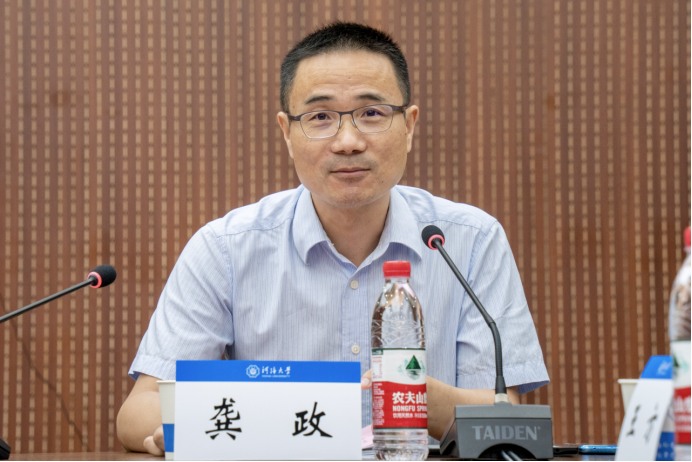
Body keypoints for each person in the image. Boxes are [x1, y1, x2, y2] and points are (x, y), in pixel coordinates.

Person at [116, 21, 549, 455]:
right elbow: (140, 410)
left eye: (372, 113)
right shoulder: (225, 248)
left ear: (409, 125)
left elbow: (501, 417)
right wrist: (190, 424)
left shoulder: (470, 241)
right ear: (287, 133)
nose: (347, 142)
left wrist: (409, 394)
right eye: (320, 117)